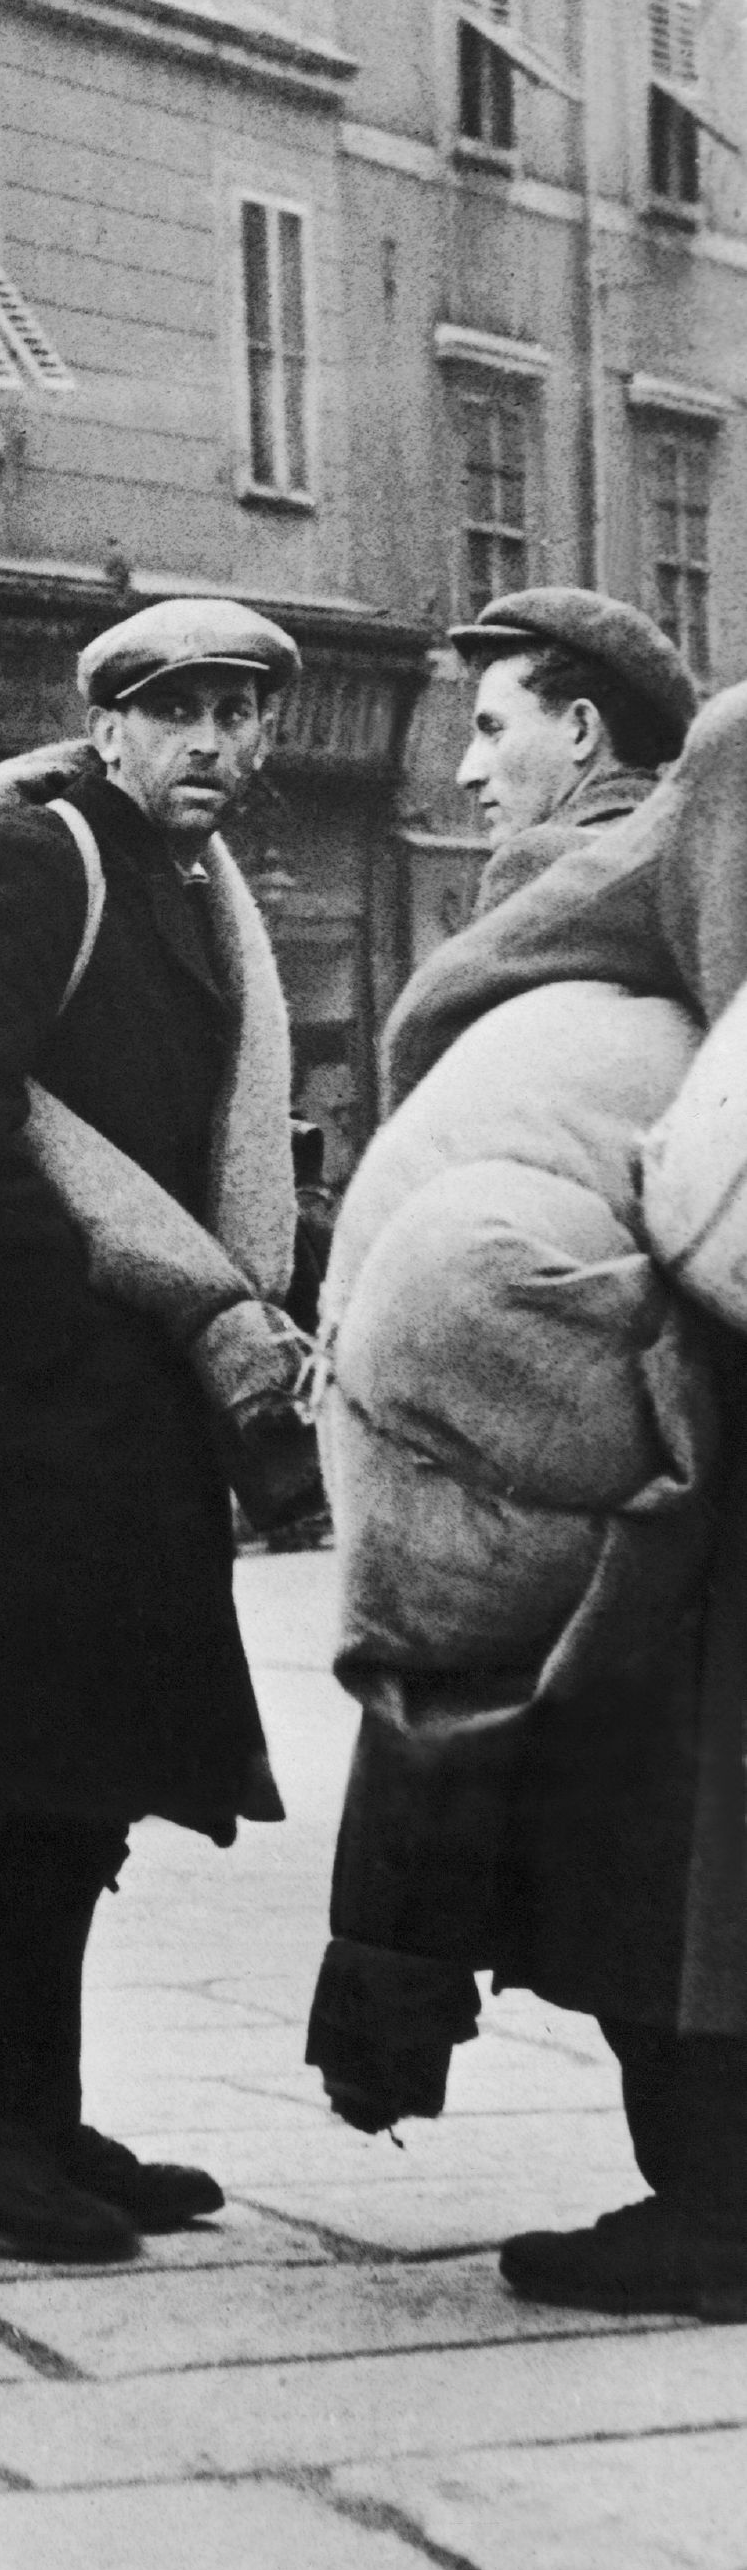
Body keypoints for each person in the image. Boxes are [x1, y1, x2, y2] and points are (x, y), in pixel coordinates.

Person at [0, 597, 306, 2263]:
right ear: (103, 723)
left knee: (85, 1771)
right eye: (170, 707)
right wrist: (74, 1328)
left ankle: (4, 2101)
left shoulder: (184, 886)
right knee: (62, 1762)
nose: (207, 741)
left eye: (234, 713)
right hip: (14, 1406)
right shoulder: (41, 860)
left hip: (99, 1403)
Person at [315, 684, 747, 2322]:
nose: (463, 760)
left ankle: (716, 2202)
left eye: (496, 721)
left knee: (675, 1815)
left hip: (657, 1341)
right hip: (630, 1313)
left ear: (577, 729)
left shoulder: (721, 759)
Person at [449, 587, 695, 917]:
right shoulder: (701, 865)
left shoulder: (542, 862)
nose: (468, 773)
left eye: (493, 731)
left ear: (581, 730)